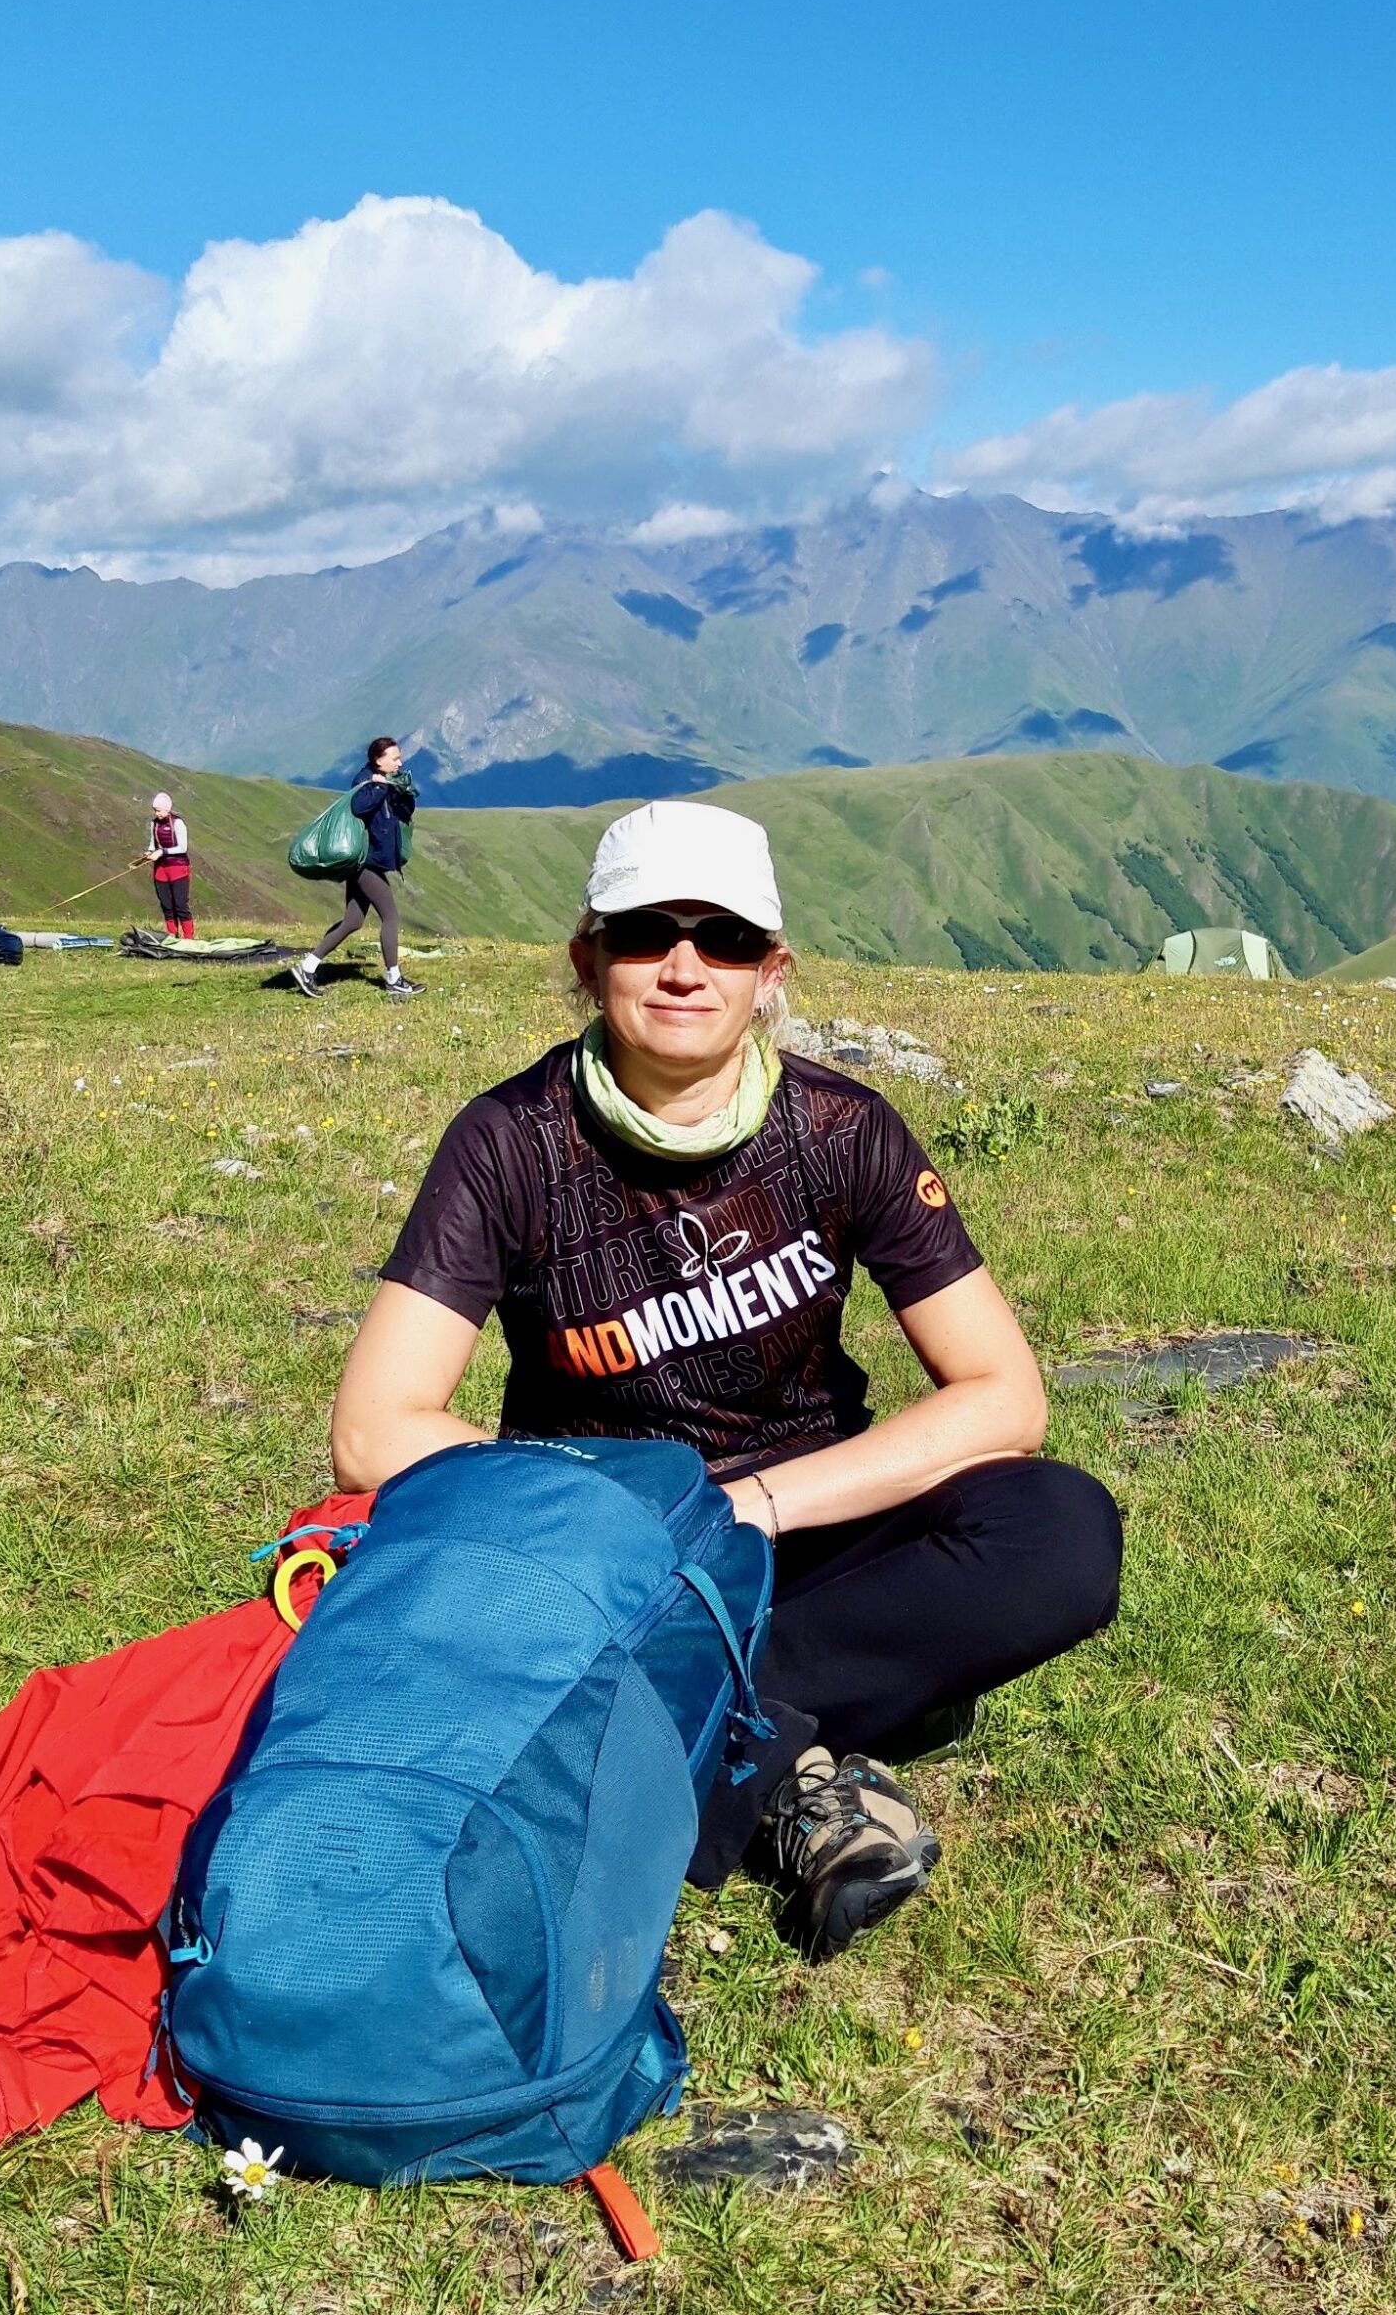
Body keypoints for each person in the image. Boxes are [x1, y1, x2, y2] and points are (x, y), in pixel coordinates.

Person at [329, 799, 1122, 1961]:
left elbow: (1004, 1393)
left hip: (807, 1521)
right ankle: (802, 1747)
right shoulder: (508, 1142)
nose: (687, 968)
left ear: (773, 973)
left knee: (1060, 1532)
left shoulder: (843, 1128)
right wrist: (622, 1514)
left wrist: (751, 1505)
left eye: (728, 940)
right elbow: (373, 1430)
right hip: (606, 1558)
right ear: (588, 959)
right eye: (649, 932)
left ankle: (677, 1727)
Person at [290, 737, 424, 1001]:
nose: (400, 762)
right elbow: (358, 806)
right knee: (391, 917)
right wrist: (379, 788)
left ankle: (306, 968)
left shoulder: (387, 782)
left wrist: (402, 792)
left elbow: (403, 812)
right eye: (395, 758)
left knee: (353, 921)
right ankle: (394, 978)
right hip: (365, 864)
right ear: (378, 760)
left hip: (370, 862)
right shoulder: (365, 781)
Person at [145, 792, 195, 938]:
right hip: (161, 868)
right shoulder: (154, 823)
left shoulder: (178, 823)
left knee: (180, 904)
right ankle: (172, 934)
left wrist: (162, 852)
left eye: (159, 810)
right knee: (166, 904)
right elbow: (153, 843)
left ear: (167, 809)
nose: (156, 813)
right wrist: (149, 852)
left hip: (178, 867)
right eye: (155, 810)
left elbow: (182, 848)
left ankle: (188, 937)